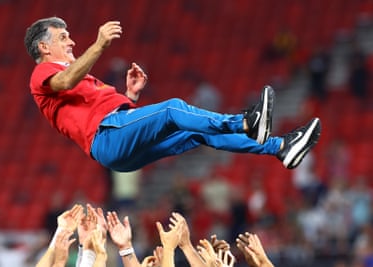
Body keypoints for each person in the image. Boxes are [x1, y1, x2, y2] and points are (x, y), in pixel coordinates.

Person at [24, 17, 321, 173]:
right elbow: (64, 82)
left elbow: (102, 110)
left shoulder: (77, 74)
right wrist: (99, 45)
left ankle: (280, 147)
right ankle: (244, 123)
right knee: (172, 109)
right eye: (63, 37)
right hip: (107, 137)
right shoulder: (43, 73)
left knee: (196, 132)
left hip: (117, 145)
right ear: (44, 47)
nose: (72, 41)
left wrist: (130, 96)